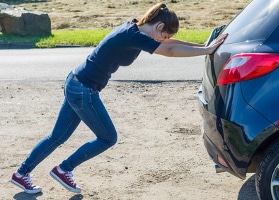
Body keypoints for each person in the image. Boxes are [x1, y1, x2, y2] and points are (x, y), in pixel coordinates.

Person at [11, 2, 227, 194]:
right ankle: (63, 169)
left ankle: (21, 174)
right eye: (165, 35)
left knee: (57, 137)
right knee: (107, 138)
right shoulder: (133, 36)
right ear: (160, 27)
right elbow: (169, 50)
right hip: (83, 89)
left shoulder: (134, 29)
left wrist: (205, 47)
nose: (165, 40)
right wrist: (207, 50)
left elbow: (172, 44)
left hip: (76, 82)